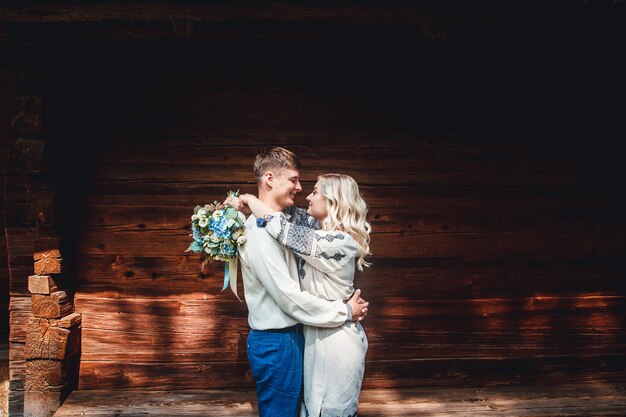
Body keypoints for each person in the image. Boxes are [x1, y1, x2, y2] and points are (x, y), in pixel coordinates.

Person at [227, 147, 369, 417]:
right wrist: (345, 310)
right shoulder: (259, 233)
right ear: (270, 179)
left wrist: (248, 199)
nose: (301, 189)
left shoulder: (312, 233)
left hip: (314, 334)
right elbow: (288, 297)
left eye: (314, 190)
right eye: (294, 180)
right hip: (283, 340)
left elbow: (282, 225)